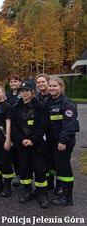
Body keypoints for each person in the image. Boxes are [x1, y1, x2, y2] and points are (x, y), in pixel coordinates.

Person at [11, 80, 49, 208]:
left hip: (37, 144)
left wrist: (32, 139)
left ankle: (41, 193)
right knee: (24, 169)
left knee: (39, 169)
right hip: (22, 144)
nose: (24, 93)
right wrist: (21, 139)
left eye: (27, 90)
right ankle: (27, 191)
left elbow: (43, 125)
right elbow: (14, 127)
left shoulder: (41, 106)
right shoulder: (16, 107)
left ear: (32, 92)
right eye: (22, 91)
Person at [46, 76, 80, 206]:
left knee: (64, 168)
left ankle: (67, 197)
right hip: (52, 141)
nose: (52, 88)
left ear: (61, 87)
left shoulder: (67, 103)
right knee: (57, 167)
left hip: (63, 142)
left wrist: (63, 141)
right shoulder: (49, 101)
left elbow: (70, 125)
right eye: (50, 86)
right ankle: (59, 190)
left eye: (55, 86)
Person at [35, 73, 62, 195]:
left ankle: (60, 186)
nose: (41, 84)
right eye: (38, 82)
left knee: (58, 163)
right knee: (45, 162)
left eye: (43, 82)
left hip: (55, 136)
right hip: (42, 137)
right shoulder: (35, 98)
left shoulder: (55, 98)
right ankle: (48, 184)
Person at [6, 74, 22, 187]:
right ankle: (18, 174)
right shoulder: (7, 96)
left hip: (22, 128)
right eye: (11, 82)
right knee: (13, 154)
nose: (13, 83)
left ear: (20, 82)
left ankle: (25, 174)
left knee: (22, 153)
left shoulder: (25, 94)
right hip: (10, 128)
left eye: (15, 81)